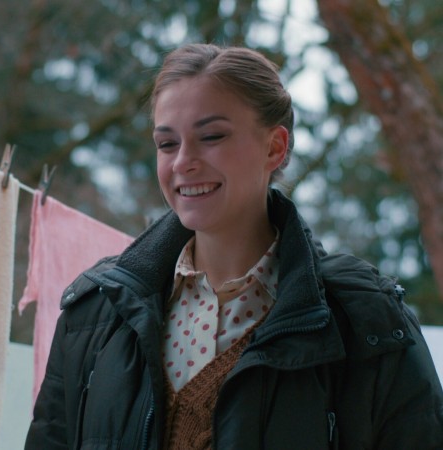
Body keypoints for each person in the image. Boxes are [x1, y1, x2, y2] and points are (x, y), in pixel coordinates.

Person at [24, 43, 443, 449]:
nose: (182, 162)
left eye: (211, 136)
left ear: (274, 147)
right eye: (167, 143)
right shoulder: (95, 314)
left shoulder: (367, 323)